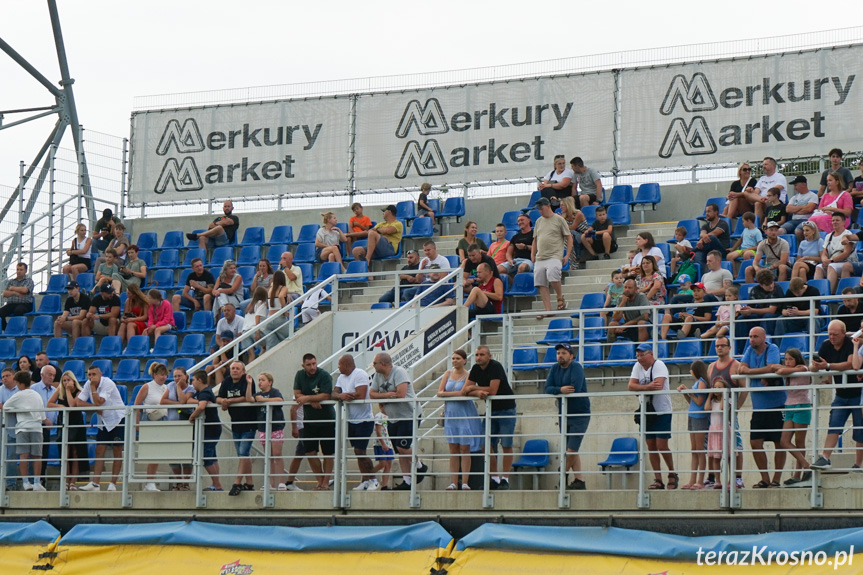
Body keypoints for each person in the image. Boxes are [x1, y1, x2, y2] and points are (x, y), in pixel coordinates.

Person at [370, 352, 428, 490]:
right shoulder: (378, 375)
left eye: (374, 363)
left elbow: (400, 394)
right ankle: (407, 481)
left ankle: (420, 465)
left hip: (409, 415)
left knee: (403, 446)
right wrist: (386, 396)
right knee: (399, 450)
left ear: (383, 364)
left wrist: (382, 398)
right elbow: (371, 394)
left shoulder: (399, 372)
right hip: (393, 417)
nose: (373, 366)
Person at [810, 320, 862, 471]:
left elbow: (850, 364)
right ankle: (825, 458)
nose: (832, 337)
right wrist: (816, 366)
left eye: (835, 334)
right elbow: (815, 364)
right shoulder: (826, 345)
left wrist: (827, 366)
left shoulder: (852, 342)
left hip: (858, 393)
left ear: (844, 334)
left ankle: (858, 464)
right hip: (841, 394)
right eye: (829, 334)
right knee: (834, 424)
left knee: (860, 430)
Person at [461, 346, 515, 490]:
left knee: (506, 445)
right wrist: (477, 392)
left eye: (482, 355)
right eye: (477, 354)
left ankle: (505, 479)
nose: (479, 357)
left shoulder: (495, 367)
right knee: (485, 445)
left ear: (489, 356)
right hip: (490, 410)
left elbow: (492, 391)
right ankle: (495, 478)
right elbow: (465, 391)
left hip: (506, 409)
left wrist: (474, 389)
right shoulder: (475, 368)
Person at [738, 326, 785, 488]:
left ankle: (776, 479)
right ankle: (765, 478)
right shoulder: (749, 350)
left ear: (764, 338)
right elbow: (740, 368)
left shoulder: (773, 348)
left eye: (755, 336)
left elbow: (772, 367)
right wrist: (756, 372)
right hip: (758, 407)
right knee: (755, 442)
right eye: (750, 336)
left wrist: (750, 371)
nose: (752, 339)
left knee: (780, 443)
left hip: (777, 405)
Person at [629, 343, 676, 490]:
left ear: (650, 354)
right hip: (647, 412)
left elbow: (658, 386)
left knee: (662, 445)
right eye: (637, 355)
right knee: (651, 445)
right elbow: (631, 386)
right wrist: (647, 387)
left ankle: (672, 473)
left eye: (642, 355)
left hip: (662, 410)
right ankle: (658, 479)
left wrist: (641, 388)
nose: (639, 358)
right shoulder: (637, 367)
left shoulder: (659, 365)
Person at [545, 342, 590, 490]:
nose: (560, 355)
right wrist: (560, 389)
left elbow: (574, 387)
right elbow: (547, 388)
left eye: (564, 353)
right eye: (558, 353)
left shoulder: (576, 367)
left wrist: (558, 390)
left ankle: (562, 473)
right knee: (571, 448)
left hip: (579, 413)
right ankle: (579, 480)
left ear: (571, 355)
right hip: (563, 413)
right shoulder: (554, 368)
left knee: (571, 448)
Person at [77, 364, 126, 491]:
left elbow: (99, 401)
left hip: (117, 419)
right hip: (103, 421)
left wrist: (93, 388)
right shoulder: (88, 384)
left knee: (117, 450)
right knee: (99, 450)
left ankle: (113, 483)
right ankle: (95, 484)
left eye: (94, 374)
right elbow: (78, 402)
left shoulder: (108, 383)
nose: (91, 377)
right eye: (89, 375)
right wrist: (94, 408)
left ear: (100, 375)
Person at [437, 349, 480, 491]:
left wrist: (447, 394)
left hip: (464, 413)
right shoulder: (447, 374)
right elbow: (439, 392)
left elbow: (464, 392)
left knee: (464, 448)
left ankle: (465, 481)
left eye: (458, 358)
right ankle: (454, 482)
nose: (455, 361)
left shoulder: (469, 375)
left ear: (464, 360)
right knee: (453, 448)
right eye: (453, 358)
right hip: (451, 413)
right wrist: (449, 394)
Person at [332, 354, 376, 491]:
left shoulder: (360, 374)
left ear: (346, 365)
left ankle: (373, 479)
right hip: (351, 420)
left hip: (365, 419)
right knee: (357, 452)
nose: (338, 367)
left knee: (360, 450)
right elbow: (333, 393)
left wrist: (344, 395)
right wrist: (340, 395)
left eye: (339, 364)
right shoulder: (341, 377)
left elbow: (361, 394)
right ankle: (365, 480)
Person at [707, 335, 745, 489]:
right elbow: (711, 391)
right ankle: (715, 479)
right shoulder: (711, 367)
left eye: (722, 345)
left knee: (735, 446)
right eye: (717, 346)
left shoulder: (736, 365)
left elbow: (745, 388)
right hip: (716, 414)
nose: (719, 348)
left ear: (729, 347)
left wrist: (736, 408)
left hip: (729, 412)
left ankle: (737, 478)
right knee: (715, 448)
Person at [293, 353, 335, 491]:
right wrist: (312, 400)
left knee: (328, 452)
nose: (312, 367)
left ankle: (325, 481)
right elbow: (297, 394)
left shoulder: (324, 375)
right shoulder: (300, 375)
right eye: (309, 365)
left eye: (314, 364)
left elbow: (326, 394)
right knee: (310, 452)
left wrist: (308, 398)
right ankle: (320, 480)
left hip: (327, 419)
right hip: (309, 420)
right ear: (303, 365)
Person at [1, 371, 47, 491]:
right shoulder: (37, 395)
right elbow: (42, 415)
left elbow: (6, 407)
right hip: (37, 427)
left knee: (23, 455)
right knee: (37, 456)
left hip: (22, 427)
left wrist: (19, 409)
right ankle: (37, 482)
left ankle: (26, 482)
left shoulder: (18, 395)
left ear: (20, 383)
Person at [216, 360, 257, 496]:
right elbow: (218, 397)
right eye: (232, 368)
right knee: (242, 455)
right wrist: (222, 401)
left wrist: (230, 401)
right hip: (236, 424)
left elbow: (248, 397)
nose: (234, 370)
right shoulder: (227, 381)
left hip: (249, 423)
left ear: (243, 371)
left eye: (237, 368)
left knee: (243, 454)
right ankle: (249, 482)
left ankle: (237, 482)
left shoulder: (248, 380)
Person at [47, 371, 90, 490]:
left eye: (68, 380)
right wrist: (60, 406)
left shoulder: (79, 391)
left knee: (76, 452)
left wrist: (68, 391)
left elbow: (72, 406)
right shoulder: (59, 390)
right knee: (65, 452)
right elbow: (49, 404)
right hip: (64, 423)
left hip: (76, 423)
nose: (66, 383)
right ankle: (66, 479)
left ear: (73, 381)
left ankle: (73, 481)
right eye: (64, 380)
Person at [532, 197, 572, 315]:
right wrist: (532, 253)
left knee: (552, 274)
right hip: (540, 256)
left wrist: (567, 255)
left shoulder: (559, 220)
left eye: (542, 208)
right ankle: (548, 310)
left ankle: (560, 297)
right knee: (540, 282)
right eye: (538, 209)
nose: (540, 211)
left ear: (548, 206)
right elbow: (535, 239)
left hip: (554, 255)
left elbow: (569, 237)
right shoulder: (539, 221)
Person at [777, 349, 812, 486]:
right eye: (786, 359)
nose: (787, 362)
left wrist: (779, 368)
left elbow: (781, 371)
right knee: (784, 441)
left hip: (801, 406)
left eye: (790, 359)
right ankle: (806, 465)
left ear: (797, 359)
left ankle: (798, 474)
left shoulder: (802, 368)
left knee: (799, 442)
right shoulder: (790, 371)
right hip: (789, 406)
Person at [134, 361, 169, 492]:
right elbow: (137, 405)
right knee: (153, 453)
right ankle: (150, 481)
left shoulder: (166, 388)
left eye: (165, 375)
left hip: (163, 419)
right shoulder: (147, 387)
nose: (163, 377)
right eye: (161, 374)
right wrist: (137, 424)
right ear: (154, 374)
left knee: (158, 453)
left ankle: (150, 481)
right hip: (150, 419)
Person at [187, 370, 223, 491]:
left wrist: (192, 417)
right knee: (212, 457)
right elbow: (190, 401)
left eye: (193, 380)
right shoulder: (204, 392)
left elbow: (201, 407)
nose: (192, 383)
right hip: (212, 429)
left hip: (210, 429)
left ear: (199, 380)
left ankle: (217, 485)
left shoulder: (204, 392)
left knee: (206, 457)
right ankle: (217, 484)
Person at [160, 366, 195, 490]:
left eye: (179, 376)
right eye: (175, 376)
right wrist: (178, 405)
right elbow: (163, 401)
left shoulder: (191, 388)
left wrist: (179, 387)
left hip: (186, 426)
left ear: (185, 376)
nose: (176, 378)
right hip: (172, 425)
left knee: (186, 456)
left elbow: (184, 400)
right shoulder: (170, 385)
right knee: (173, 457)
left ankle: (186, 482)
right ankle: (178, 482)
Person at [676, 360, 709, 489]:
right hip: (693, 415)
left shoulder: (702, 382)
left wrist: (688, 391)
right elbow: (692, 401)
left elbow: (700, 401)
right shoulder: (697, 383)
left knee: (700, 450)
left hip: (700, 417)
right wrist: (687, 392)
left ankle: (700, 481)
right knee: (694, 450)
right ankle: (692, 480)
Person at [253, 372, 287, 491]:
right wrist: (261, 399)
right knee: (269, 456)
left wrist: (265, 400)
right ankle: (270, 483)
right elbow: (255, 398)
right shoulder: (257, 394)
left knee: (277, 454)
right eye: (259, 380)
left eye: (262, 380)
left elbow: (280, 400)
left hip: (276, 426)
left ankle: (281, 482)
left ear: (270, 382)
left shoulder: (274, 392)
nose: (260, 382)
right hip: (263, 427)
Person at [814, 212, 857, 294]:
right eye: (833, 220)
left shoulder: (847, 234)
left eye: (837, 220)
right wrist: (824, 260)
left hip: (846, 262)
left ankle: (829, 294)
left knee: (831, 266)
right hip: (832, 262)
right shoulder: (828, 236)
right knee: (819, 267)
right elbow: (824, 253)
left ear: (844, 222)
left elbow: (846, 253)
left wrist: (831, 261)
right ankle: (818, 295)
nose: (834, 222)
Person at [704, 378, 731, 489]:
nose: (716, 389)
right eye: (715, 387)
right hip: (714, 430)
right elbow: (706, 408)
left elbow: (723, 408)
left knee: (728, 456)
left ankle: (730, 480)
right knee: (716, 457)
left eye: (720, 387)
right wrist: (710, 396)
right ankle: (717, 481)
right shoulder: (712, 402)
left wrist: (723, 395)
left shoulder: (728, 400)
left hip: (724, 430)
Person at [739, 270, 782, 336]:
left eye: (772, 283)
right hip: (759, 314)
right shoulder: (755, 289)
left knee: (767, 317)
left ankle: (766, 340)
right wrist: (746, 311)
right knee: (741, 319)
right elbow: (750, 307)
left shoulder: (777, 288)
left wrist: (752, 310)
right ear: (761, 285)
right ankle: (741, 345)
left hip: (775, 314)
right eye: (767, 285)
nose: (771, 286)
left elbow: (772, 310)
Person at [0, 368, 20, 491]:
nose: (4, 378)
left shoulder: (20, 389)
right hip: (3, 428)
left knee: (12, 457)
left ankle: (11, 484)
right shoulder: (0, 389)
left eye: (7, 375)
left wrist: (5, 406)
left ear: (14, 376)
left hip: (17, 427)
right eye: (3, 376)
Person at [0, 262, 34, 330]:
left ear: (25, 271)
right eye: (17, 269)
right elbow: (5, 294)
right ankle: (6, 329)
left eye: (21, 270)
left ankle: (17, 329)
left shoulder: (29, 281)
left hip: (25, 304)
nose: (18, 271)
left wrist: (12, 288)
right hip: (11, 304)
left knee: (18, 310)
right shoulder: (11, 281)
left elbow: (25, 290)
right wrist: (16, 293)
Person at [264, 272, 291, 351]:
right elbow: (281, 296)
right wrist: (285, 310)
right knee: (290, 337)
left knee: (271, 345)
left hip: (269, 319)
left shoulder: (270, 289)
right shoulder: (283, 288)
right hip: (278, 318)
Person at [240, 287, 268, 362]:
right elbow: (257, 316)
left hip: (245, 331)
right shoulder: (262, 304)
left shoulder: (250, 305)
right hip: (254, 329)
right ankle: (260, 362)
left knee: (251, 355)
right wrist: (258, 332)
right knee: (267, 346)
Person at [371, 408, 394, 491]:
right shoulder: (379, 416)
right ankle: (368, 475)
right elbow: (378, 431)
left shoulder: (389, 416)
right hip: (380, 444)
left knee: (388, 464)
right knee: (383, 463)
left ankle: (384, 485)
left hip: (388, 443)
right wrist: (383, 444)